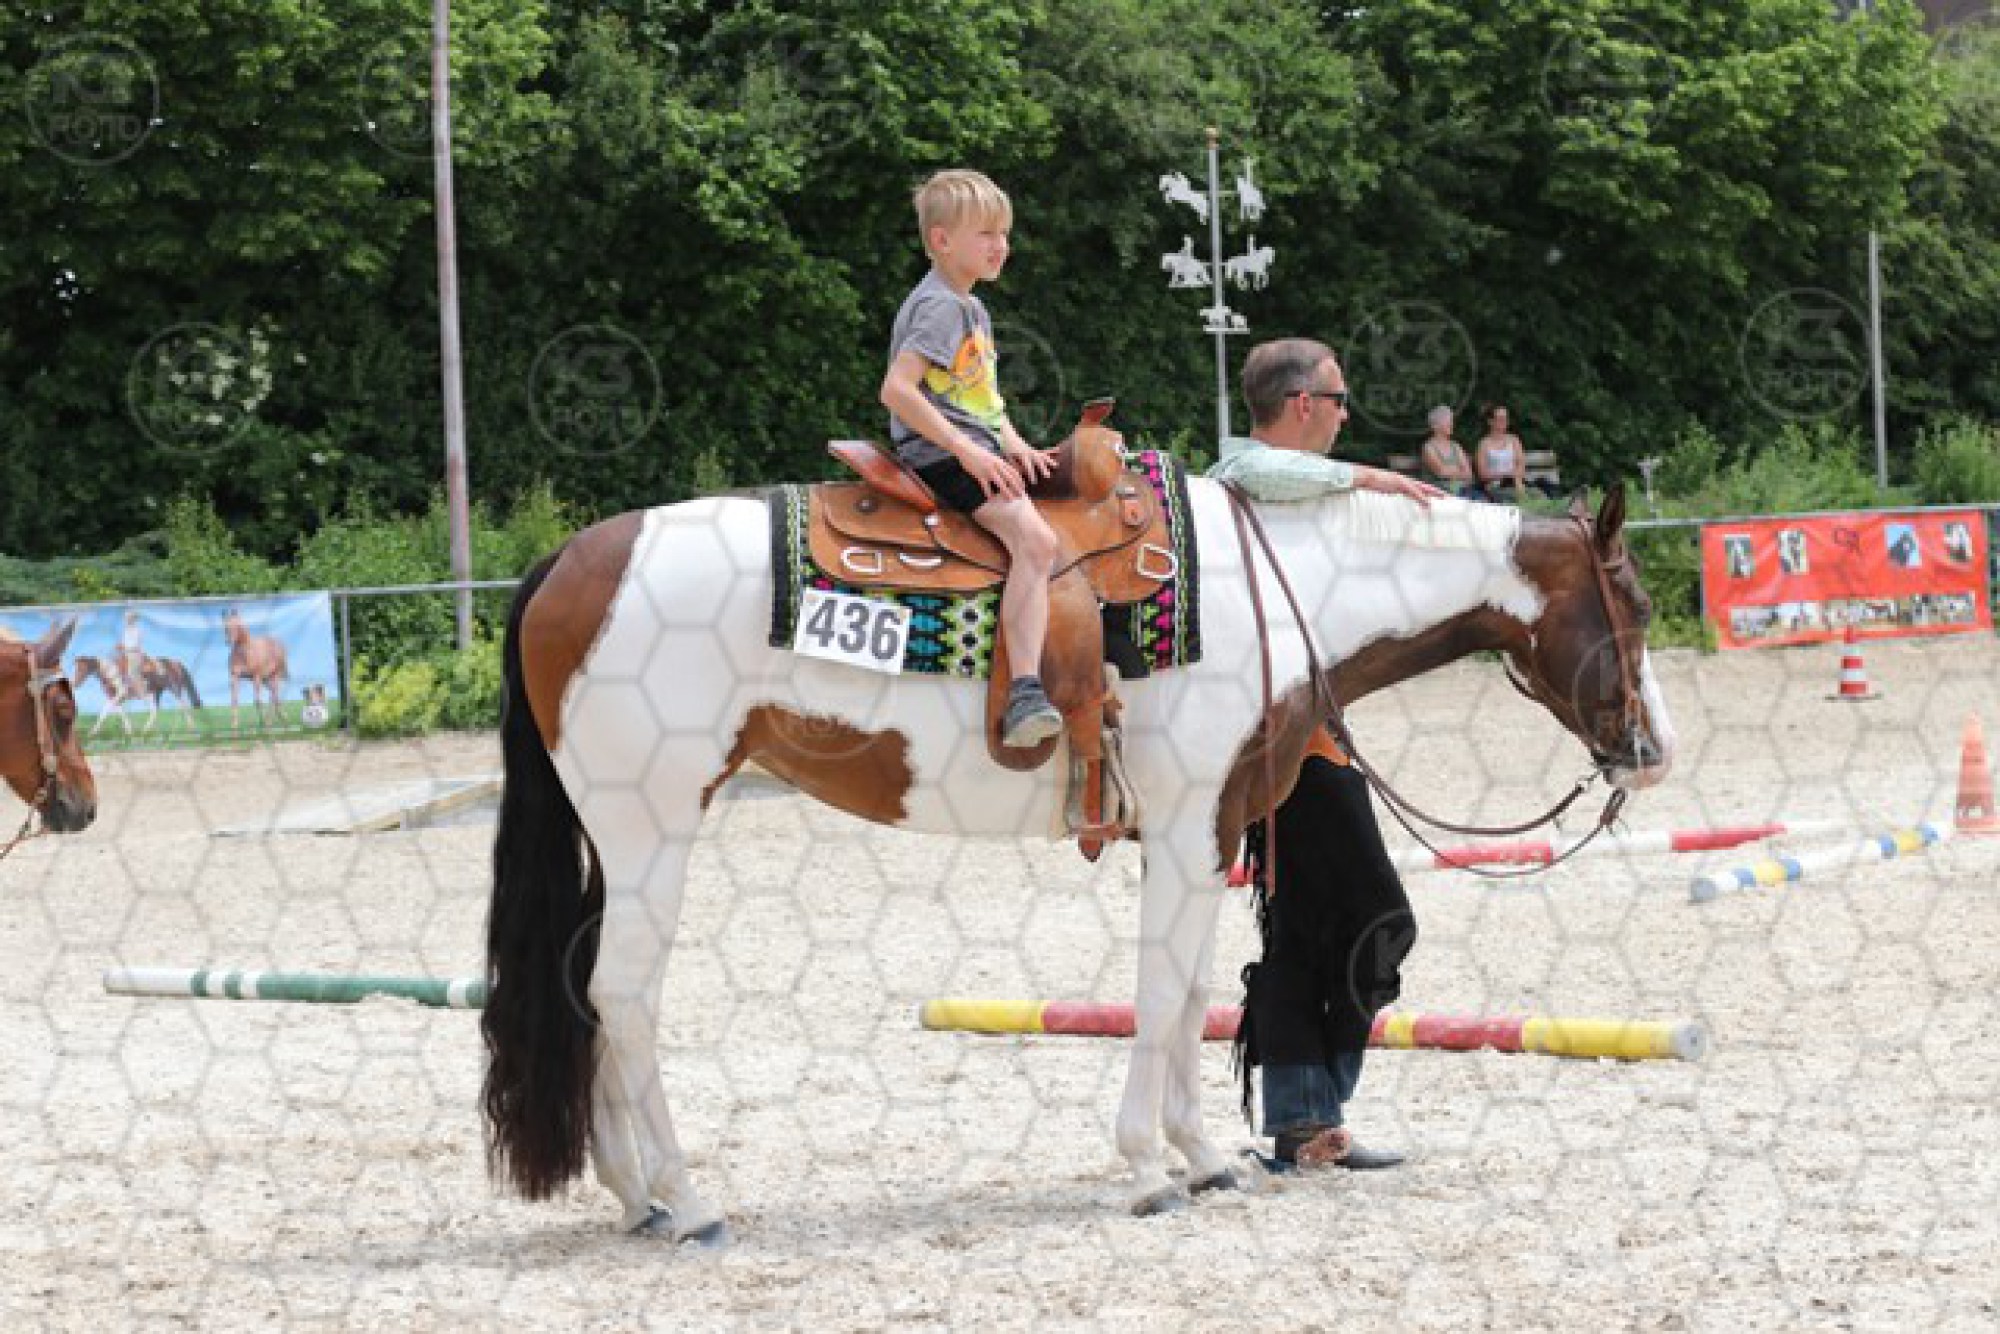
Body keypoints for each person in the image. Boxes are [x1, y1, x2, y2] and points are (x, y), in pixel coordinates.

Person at [1209, 337, 1438, 1171]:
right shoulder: (1246, 480)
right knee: (1378, 919)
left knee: (1309, 932)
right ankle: (1313, 1112)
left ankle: (1307, 1122)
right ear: (1304, 403)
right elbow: (1243, 464)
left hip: (1308, 737)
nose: (1346, 417)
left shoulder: (1303, 496)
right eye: (1339, 401)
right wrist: (1378, 479)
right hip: (1283, 748)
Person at [878, 169, 1061, 747]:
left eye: (1003, 233)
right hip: (940, 454)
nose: (1000, 245)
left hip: (970, 446)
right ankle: (1025, 690)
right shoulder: (941, 307)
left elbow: (979, 402)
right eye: (985, 233)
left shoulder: (972, 308)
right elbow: (897, 391)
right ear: (941, 241)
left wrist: (1016, 446)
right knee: (1038, 543)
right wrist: (967, 451)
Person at [1418, 406, 1479, 499]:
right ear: (1435, 426)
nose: (1451, 424)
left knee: (1480, 499)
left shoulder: (1456, 446)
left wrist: (1451, 471)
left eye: (1451, 421)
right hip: (1439, 493)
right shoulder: (1428, 448)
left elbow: (1468, 473)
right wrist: (1459, 470)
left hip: (1461, 490)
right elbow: (1441, 472)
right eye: (1447, 421)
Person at [1474, 404, 1528, 503]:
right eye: (1500, 418)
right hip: (1494, 486)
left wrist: (1515, 478)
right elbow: (1483, 474)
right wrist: (1505, 475)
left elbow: (1521, 466)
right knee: (1512, 496)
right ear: (1490, 421)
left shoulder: (1514, 440)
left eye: (1506, 418)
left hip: (1516, 484)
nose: (1504, 421)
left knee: (1537, 494)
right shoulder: (1484, 444)